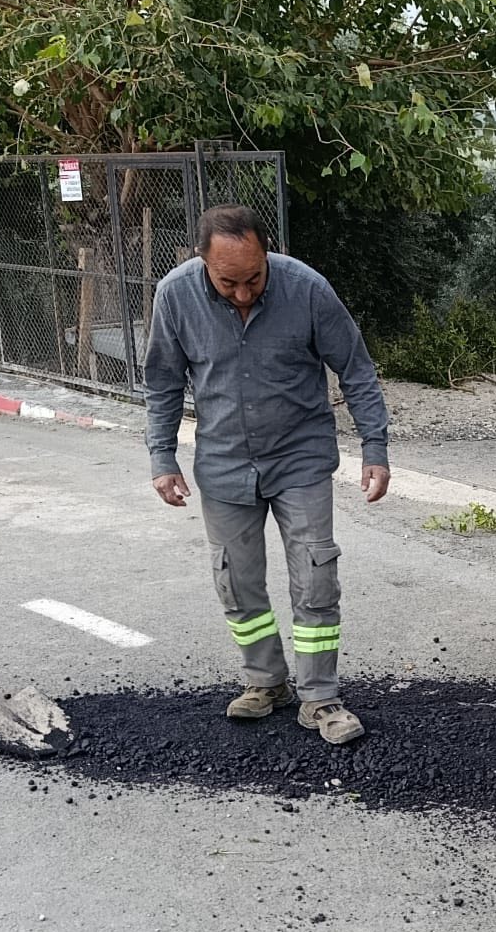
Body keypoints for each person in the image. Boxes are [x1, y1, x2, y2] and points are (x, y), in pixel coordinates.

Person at [144, 205, 391, 744]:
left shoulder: (307, 289)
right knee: (235, 580)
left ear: (267, 254)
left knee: (315, 577)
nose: (242, 293)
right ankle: (265, 681)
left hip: (300, 458)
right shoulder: (175, 296)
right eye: (228, 282)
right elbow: (162, 382)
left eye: (253, 278)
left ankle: (320, 696)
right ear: (201, 260)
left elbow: (356, 368)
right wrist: (162, 457)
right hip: (224, 464)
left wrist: (375, 447)